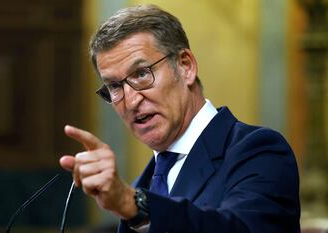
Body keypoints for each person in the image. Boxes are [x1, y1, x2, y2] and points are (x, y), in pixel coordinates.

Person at [59, 4, 300, 233]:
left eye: (142, 74)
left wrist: (133, 204)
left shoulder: (259, 151)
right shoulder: (142, 184)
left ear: (186, 66)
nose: (131, 101)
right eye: (114, 86)